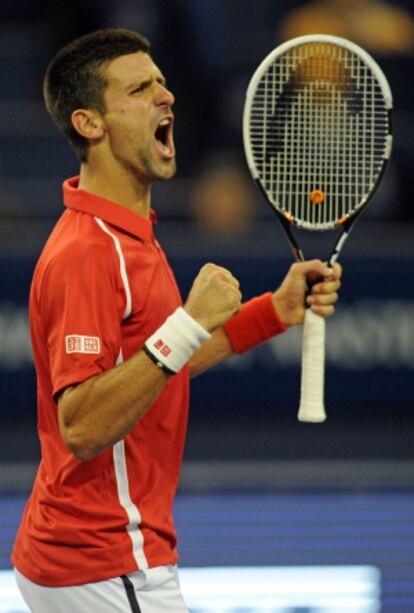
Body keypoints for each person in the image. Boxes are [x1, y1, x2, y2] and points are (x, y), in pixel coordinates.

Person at [11, 28, 342, 613]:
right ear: (91, 124)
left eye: (163, 82)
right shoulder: (90, 253)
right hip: (105, 562)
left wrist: (272, 314)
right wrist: (187, 324)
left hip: (84, 557)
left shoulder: (127, 233)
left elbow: (151, 375)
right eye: (140, 89)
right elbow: (83, 428)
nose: (166, 97)